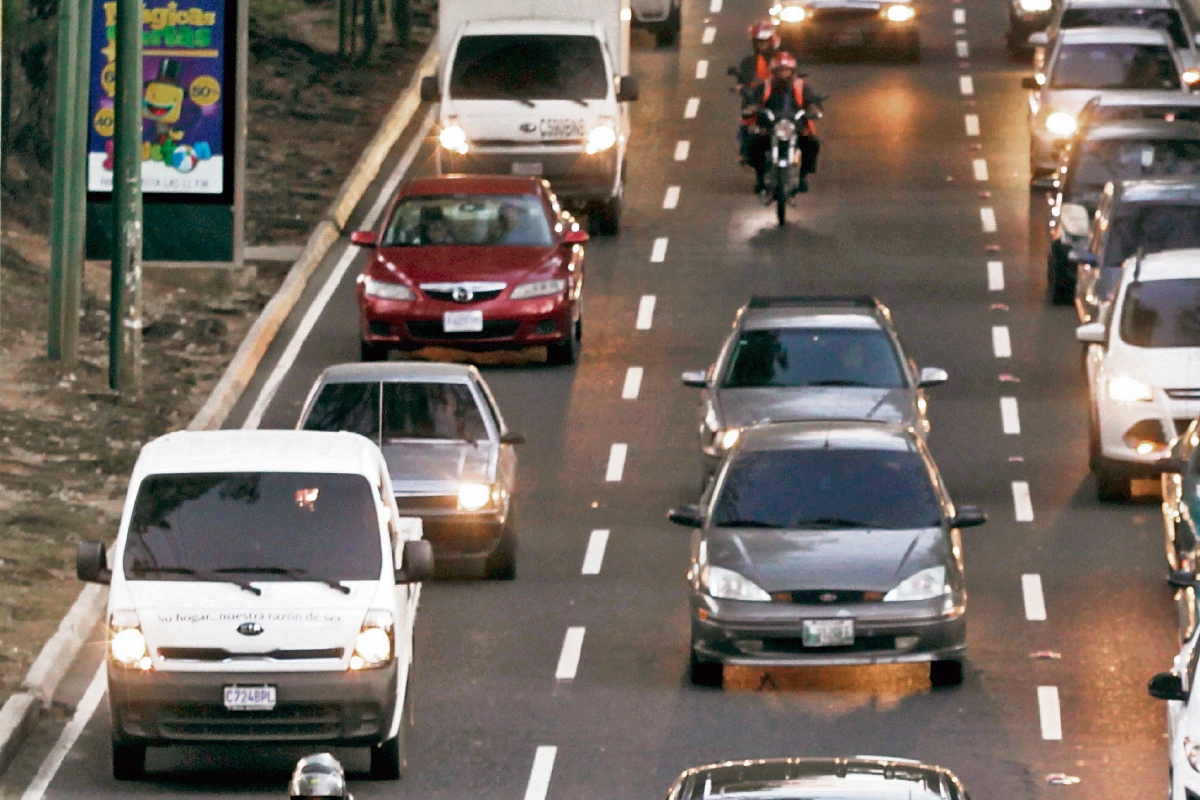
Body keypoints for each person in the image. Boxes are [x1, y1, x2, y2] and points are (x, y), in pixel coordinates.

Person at [746, 52, 822, 194]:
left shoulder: (801, 87)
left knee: (812, 143)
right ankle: (760, 177)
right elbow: (752, 102)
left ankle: (803, 176)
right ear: (773, 71)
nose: (783, 74)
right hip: (769, 126)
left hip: (795, 126)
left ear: (792, 71)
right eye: (780, 70)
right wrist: (751, 108)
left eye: (786, 70)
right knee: (754, 142)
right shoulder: (764, 87)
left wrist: (814, 109)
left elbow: (812, 101)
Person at [735, 21, 780, 164]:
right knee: (747, 122)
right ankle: (745, 152)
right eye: (759, 42)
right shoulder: (748, 61)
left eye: (765, 41)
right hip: (756, 100)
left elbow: (794, 76)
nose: (762, 45)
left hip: (779, 98)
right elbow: (742, 79)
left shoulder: (781, 59)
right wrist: (741, 87)